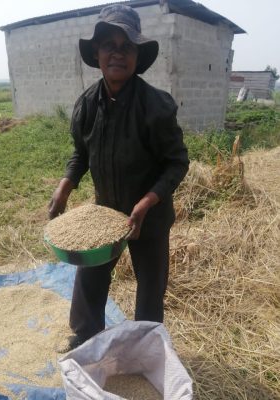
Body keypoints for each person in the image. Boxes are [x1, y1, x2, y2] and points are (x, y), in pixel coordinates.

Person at [49, 4, 189, 350]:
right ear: (96, 53)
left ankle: (144, 346)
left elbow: (177, 163)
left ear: (137, 56)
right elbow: (82, 153)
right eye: (109, 45)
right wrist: (66, 184)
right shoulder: (86, 105)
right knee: (90, 274)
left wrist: (145, 203)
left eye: (127, 46)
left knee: (150, 284)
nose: (118, 53)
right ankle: (85, 335)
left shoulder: (156, 106)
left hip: (150, 216)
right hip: (105, 213)